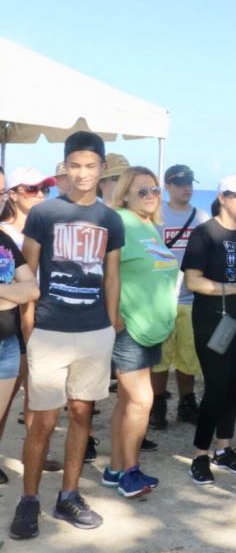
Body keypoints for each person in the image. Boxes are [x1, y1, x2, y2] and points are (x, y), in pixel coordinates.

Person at [10, 131, 126, 538]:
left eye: (90, 166)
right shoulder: (45, 214)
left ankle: (69, 496)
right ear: (65, 167)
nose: (82, 173)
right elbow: (27, 274)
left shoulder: (110, 219)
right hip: (49, 331)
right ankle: (29, 500)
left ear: (102, 168)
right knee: (42, 421)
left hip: (94, 332)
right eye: (74, 165)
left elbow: (112, 276)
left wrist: (110, 324)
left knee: (81, 415)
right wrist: (30, 328)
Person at [103, 166, 178, 498]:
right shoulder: (119, 222)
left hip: (151, 327)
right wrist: (115, 317)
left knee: (126, 401)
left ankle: (115, 468)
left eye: (155, 190)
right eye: (142, 191)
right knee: (142, 400)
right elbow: (105, 272)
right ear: (125, 195)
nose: (151, 196)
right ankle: (130, 473)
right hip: (130, 328)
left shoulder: (149, 225)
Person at [182, 176, 236, 484]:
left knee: (234, 386)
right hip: (211, 322)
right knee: (216, 386)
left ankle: (224, 448)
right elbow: (193, 281)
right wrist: (232, 288)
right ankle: (200, 453)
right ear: (222, 197)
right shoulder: (204, 233)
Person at [151, 164, 209, 431]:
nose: (186, 188)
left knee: (188, 357)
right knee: (159, 359)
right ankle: (157, 406)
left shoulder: (201, 217)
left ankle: (187, 403)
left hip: (191, 299)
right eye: (179, 183)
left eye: (189, 183)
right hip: (160, 299)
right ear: (167, 186)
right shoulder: (156, 215)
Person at [0, 170, 41, 487]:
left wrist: (6, 294)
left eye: (0, 192)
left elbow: (32, 289)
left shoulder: (3, 241)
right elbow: (22, 289)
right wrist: (12, 292)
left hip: (7, 344)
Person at [0, 167, 56, 247]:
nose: (40, 195)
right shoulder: (3, 233)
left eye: (44, 189)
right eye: (32, 189)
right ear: (13, 195)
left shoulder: (48, 228)